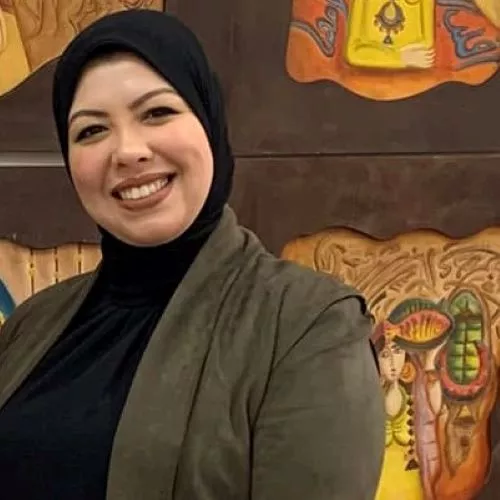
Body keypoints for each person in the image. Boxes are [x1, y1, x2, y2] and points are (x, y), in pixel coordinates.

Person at [0, 9, 384, 500]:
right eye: (91, 131)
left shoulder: (308, 326)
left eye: (156, 112)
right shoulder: (33, 324)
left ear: (209, 122)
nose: (128, 151)